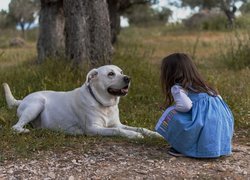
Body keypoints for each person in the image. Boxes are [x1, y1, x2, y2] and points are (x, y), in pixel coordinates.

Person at [155, 52, 234, 158]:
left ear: (170, 73)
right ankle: (217, 147)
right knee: (205, 121)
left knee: (171, 114)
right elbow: (219, 101)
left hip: (204, 122)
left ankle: (183, 147)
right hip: (222, 121)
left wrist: (174, 108)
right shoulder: (204, 86)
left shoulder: (178, 88)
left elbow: (186, 106)